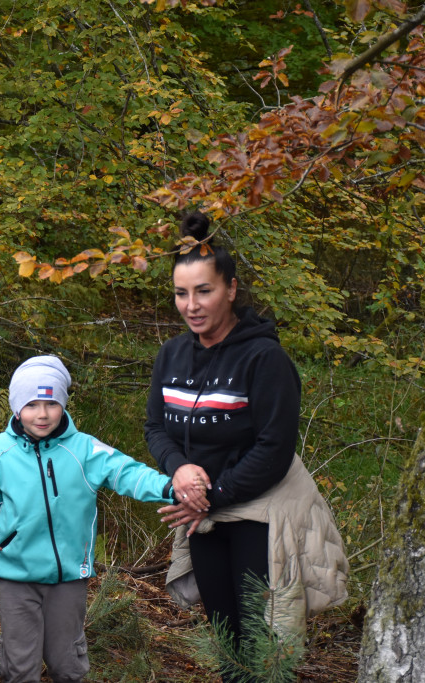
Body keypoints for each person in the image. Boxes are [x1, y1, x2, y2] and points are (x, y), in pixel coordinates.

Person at [147, 211, 347, 682]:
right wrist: (178, 471)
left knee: (263, 640)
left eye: (204, 291)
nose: (191, 305)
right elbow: (156, 426)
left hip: (260, 510)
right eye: (181, 293)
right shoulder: (172, 355)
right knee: (226, 637)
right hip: (205, 513)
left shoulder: (264, 358)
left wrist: (208, 497)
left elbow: (274, 449)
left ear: (231, 289)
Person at [0, 355, 175, 683]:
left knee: (67, 665)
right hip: (15, 577)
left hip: (68, 579)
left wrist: (171, 488)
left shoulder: (84, 450)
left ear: (63, 404)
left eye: (51, 403)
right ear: (17, 407)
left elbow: (127, 472)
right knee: (20, 667)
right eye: (32, 404)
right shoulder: (0, 451)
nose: (43, 414)